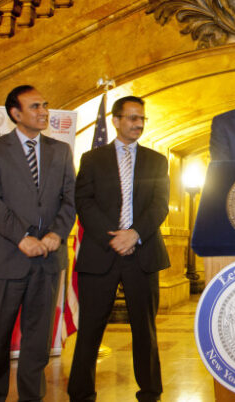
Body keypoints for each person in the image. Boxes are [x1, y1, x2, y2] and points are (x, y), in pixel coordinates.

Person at [0, 85, 76, 402]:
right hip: (6, 259)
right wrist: (22, 238)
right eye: (35, 107)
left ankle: (32, 397)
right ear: (15, 114)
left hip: (47, 260)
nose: (44, 111)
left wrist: (56, 233)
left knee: (38, 341)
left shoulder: (60, 151)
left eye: (45, 105)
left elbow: (69, 199)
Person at [68, 96, 170, 402]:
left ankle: (150, 393)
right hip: (101, 253)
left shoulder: (156, 160)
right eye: (132, 118)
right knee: (90, 329)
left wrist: (135, 233)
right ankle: (81, 393)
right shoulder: (92, 159)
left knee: (145, 329)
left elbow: (159, 204)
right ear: (115, 120)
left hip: (143, 254)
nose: (138, 124)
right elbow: (83, 202)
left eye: (142, 119)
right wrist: (113, 237)